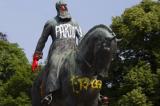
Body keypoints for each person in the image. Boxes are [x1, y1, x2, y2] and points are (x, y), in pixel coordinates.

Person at [31, 0, 83, 104]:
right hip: (57, 51)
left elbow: (81, 37)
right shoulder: (51, 22)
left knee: (87, 65)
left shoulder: (75, 22)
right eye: (63, 6)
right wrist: (36, 57)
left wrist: (82, 50)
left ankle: (96, 93)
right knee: (54, 64)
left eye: (66, 6)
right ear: (59, 8)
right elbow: (43, 39)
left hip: (73, 50)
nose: (65, 8)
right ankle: (49, 93)